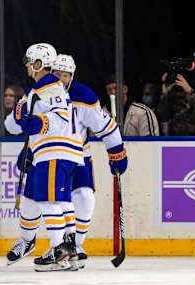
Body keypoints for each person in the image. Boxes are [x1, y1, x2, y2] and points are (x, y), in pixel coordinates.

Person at [4, 43, 83, 271]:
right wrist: (20, 115)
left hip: (55, 152)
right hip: (56, 152)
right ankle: (69, 249)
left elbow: (57, 119)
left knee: (49, 201)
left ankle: (59, 251)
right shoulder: (37, 90)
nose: (27, 66)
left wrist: (35, 122)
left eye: (30, 62)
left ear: (38, 64)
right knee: (57, 201)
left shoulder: (48, 84)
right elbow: (13, 125)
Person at [51, 54, 128, 268]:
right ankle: (58, 246)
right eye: (56, 74)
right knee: (55, 204)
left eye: (64, 75)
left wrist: (116, 151)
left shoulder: (83, 96)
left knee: (85, 198)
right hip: (51, 159)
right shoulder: (40, 95)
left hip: (78, 157)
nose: (60, 79)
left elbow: (106, 126)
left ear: (71, 76)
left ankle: (76, 245)